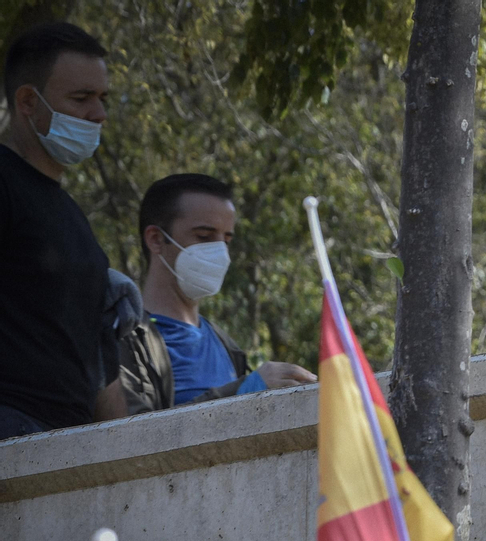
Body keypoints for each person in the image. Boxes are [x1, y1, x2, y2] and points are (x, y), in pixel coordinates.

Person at [0, 22, 123, 440]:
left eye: (103, 98)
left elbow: (100, 366)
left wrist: (125, 453)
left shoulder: (73, 218)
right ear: (28, 102)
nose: (99, 114)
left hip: (68, 449)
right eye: (81, 98)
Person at [119, 173, 314, 413]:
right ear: (156, 239)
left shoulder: (227, 347)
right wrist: (243, 391)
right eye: (204, 237)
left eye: (226, 240)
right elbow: (132, 439)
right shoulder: (125, 339)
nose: (220, 253)